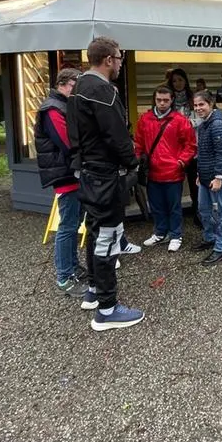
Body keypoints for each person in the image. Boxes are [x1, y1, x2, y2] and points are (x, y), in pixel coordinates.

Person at [67, 36, 144, 332]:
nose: (122, 62)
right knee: (108, 238)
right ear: (109, 59)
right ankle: (107, 309)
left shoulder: (77, 90)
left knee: (96, 232)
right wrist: (133, 162)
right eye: (120, 57)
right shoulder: (102, 90)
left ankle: (95, 292)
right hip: (104, 175)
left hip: (87, 173)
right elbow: (117, 137)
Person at [33, 68, 86, 297]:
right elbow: (68, 142)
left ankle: (73, 266)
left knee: (72, 224)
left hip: (70, 172)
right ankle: (65, 276)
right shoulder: (53, 108)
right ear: (65, 83)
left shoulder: (61, 106)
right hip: (66, 174)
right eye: (76, 85)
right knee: (67, 226)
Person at [137, 86, 196, 252]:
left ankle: (176, 235)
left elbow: (190, 144)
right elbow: (139, 142)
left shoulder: (179, 120)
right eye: (159, 100)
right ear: (154, 100)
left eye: (166, 100)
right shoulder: (145, 119)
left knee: (173, 206)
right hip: (153, 171)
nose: (162, 103)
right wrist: (139, 159)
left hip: (172, 172)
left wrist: (181, 162)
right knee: (156, 205)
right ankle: (160, 232)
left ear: (172, 100)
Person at [193, 90, 222, 266]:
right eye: (195, 105)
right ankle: (210, 238)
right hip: (205, 177)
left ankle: (221, 249)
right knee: (204, 210)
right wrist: (199, 174)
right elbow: (203, 152)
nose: (198, 108)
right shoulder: (205, 123)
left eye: (201, 104)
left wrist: (219, 177)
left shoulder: (216, 124)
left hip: (220, 179)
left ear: (211, 104)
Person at [168, 68, 202, 228]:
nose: (177, 83)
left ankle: (199, 214)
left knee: (196, 185)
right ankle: (174, 219)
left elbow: (202, 116)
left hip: (193, 148)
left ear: (185, 81)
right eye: (174, 81)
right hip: (174, 150)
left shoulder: (193, 98)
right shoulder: (168, 100)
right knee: (175, 186)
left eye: (180, 80)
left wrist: (188, 124)